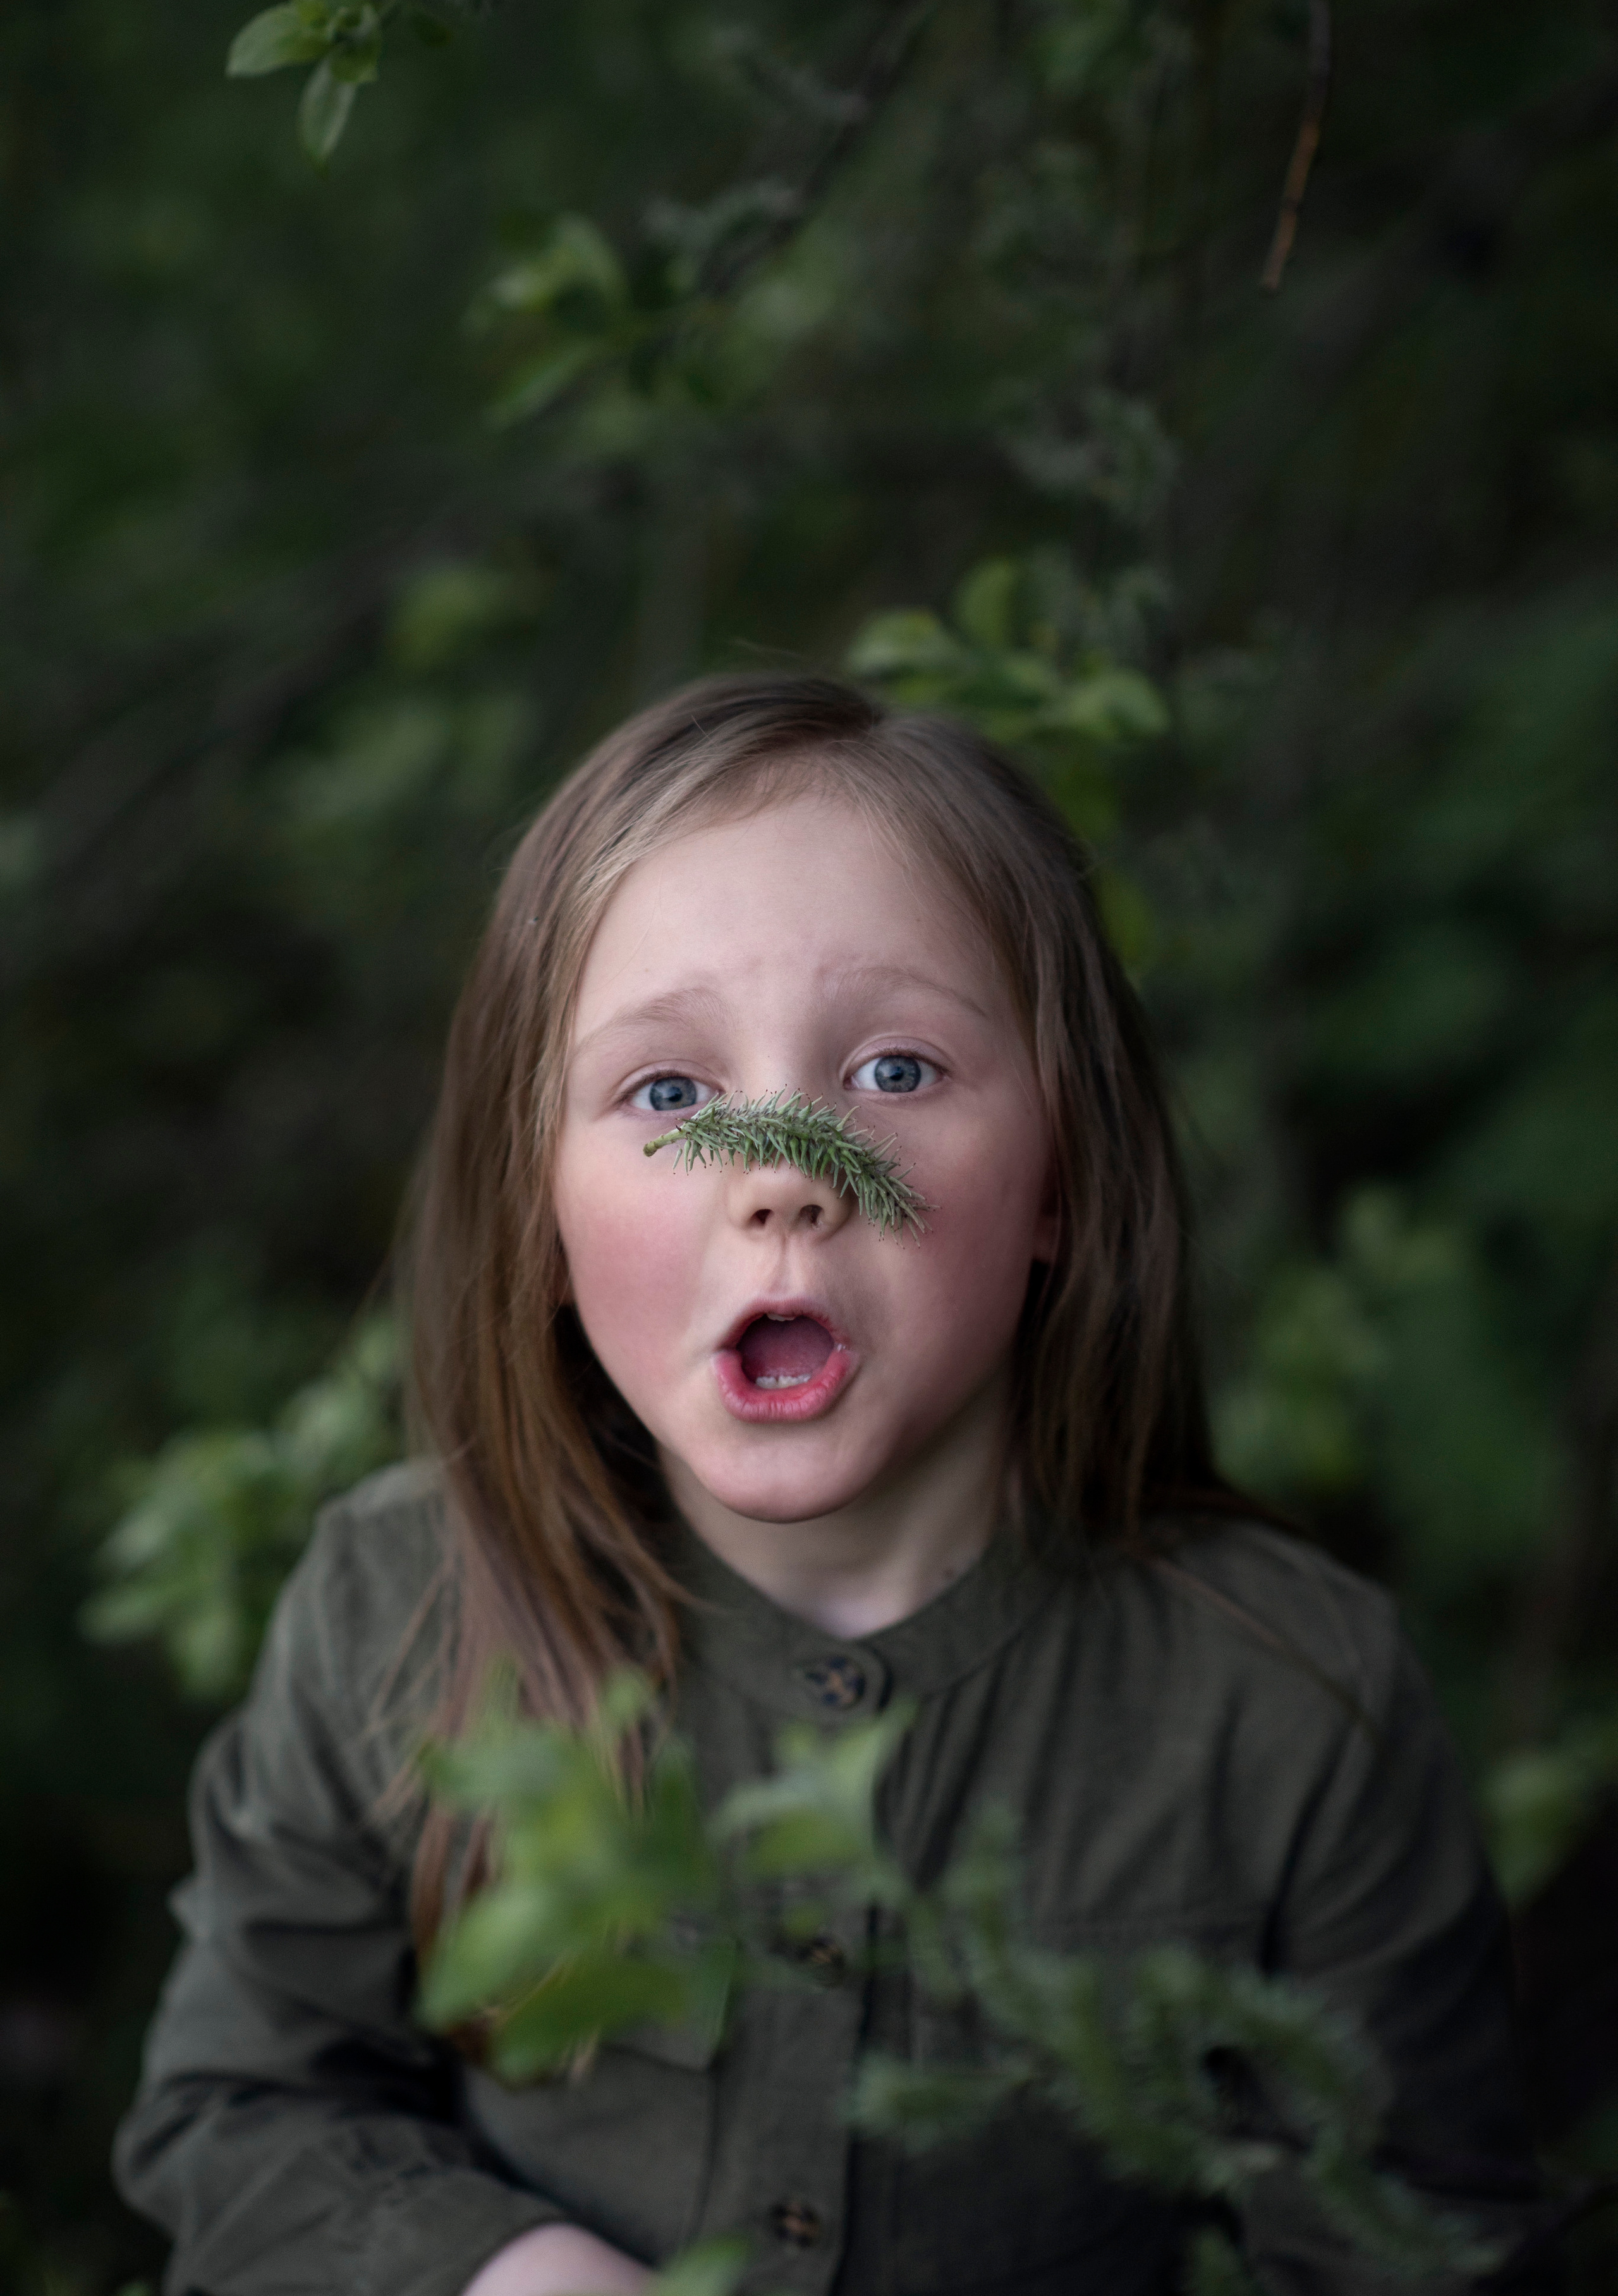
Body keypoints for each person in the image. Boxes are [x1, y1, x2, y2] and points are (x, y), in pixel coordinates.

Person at [114, 674, 1548, 2296]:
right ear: (544, 1221)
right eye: (669, 1095)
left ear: (1058, 1184)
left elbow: (1420, 2254)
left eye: (893, 1072)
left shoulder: (1293, 1704)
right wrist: (515, 2274)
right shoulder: (398, 1607)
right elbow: (239, 2112)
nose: (784, 1173)